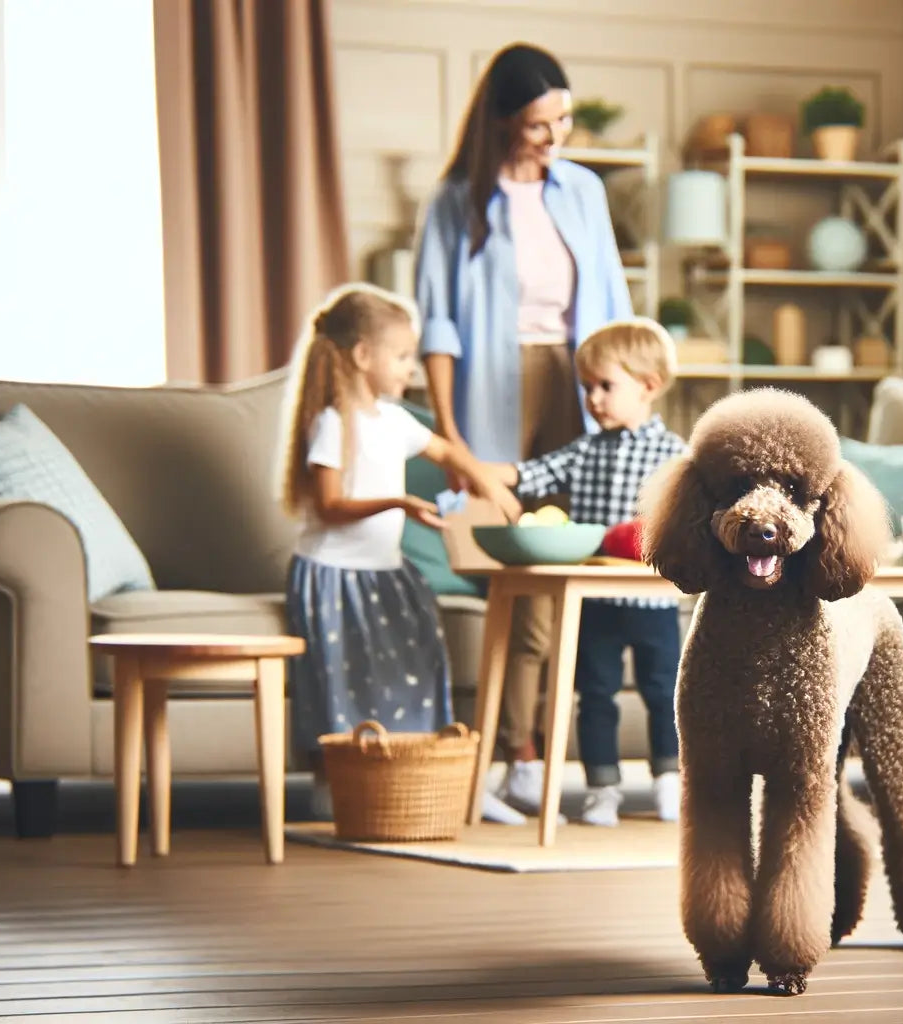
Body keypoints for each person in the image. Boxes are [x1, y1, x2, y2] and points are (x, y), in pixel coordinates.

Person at [413, 42, 633, 813]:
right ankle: (517, 758)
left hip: (579, 394)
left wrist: (629, 405)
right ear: (503, 121)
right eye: (540, 125)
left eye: (564, 120)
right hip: (489, 397)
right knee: (516, 585)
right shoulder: (454, 202)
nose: (556, 137)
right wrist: (451, 440)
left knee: (565, 585)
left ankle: (538, 763)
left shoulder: (583, 192)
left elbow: (611, 302)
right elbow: (436, 327)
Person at [277, 283, 517, 818]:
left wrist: (487, 483)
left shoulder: (395, 419)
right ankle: (334, 786)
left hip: (386, 572)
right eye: (403, 356)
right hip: (334, 575)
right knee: (338, 679)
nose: (411, 369)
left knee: (417, 662)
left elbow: (446, 449)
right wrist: (399, 502)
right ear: (363, 357)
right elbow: (332, 503)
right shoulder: (333, 424)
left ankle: (435, 778)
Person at [478, 319, 687, 827]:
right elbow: (531, 474)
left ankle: (669, 781)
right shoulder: (585, 449)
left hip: (654, 601)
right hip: (593, 600)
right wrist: (478, 470)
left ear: (649, 386)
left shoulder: (677, 454)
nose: (593, 398)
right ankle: (601, 789)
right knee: (595, 695)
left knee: (665, 693)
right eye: (587, 387)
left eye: (605, 386)